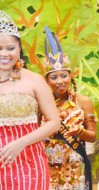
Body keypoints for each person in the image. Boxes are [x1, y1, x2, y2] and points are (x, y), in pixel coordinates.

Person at [0, 10, 60, 189]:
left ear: (19, 48)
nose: (5, 54)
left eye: (11, 48)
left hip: (29, 161)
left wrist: (21, 142)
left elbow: (54, 122)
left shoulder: (33, 79)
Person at [42, 26, 97, 190]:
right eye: (54, 77)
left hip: (75, 166)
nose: (60, 81)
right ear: (47, 81)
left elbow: (93, 137)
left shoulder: (83, 101)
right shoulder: (42, 104)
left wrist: (78, 132)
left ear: (70, 76)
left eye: (63, 75)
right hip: (49, 166)